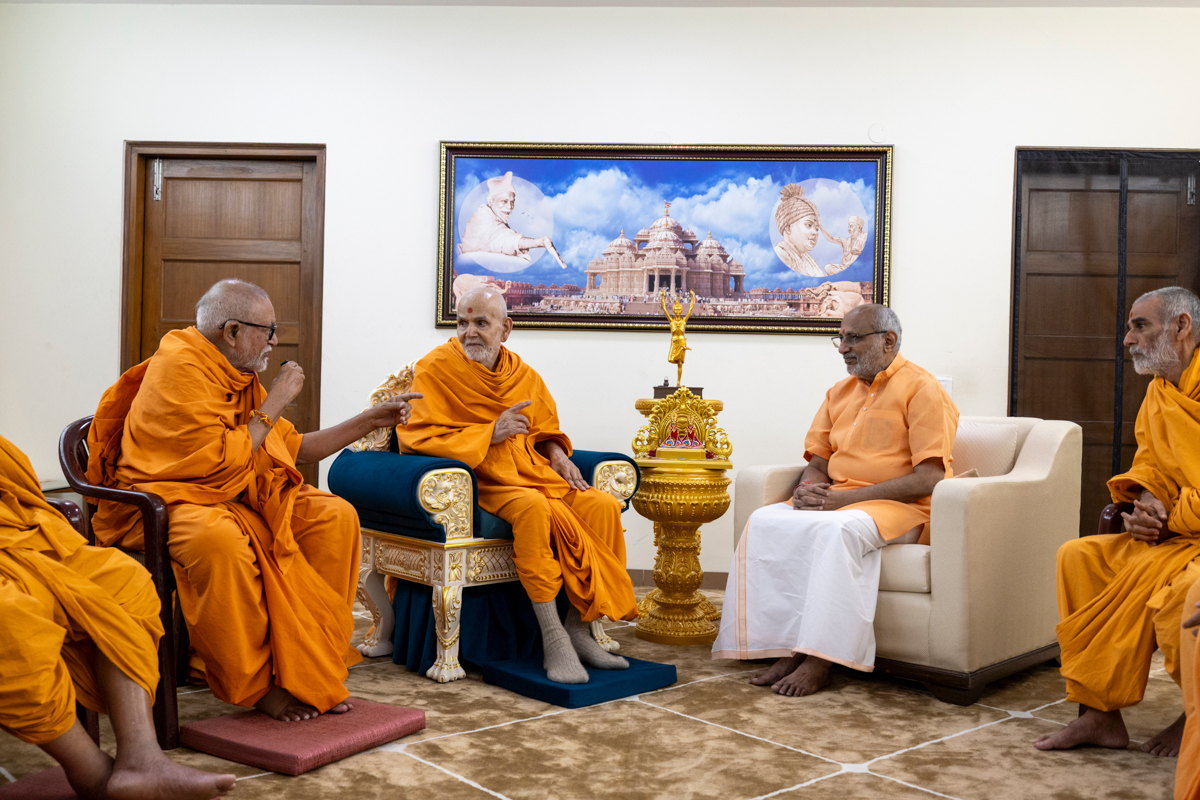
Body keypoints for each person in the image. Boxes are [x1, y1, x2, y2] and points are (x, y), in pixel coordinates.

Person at [87, 279, 420, 722]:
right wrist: (279, 398)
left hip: (231, 493)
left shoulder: (237, 374)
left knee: (333, 515)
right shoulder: (179, 367)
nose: (275, 341)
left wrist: (369, 420)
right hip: (166, 500)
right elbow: (216, 464)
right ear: (231, 331)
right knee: (220, 544)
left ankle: (306, 664)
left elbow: (296, 446)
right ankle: (256, 685)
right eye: (268, 330)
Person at [712, 304, 958, 696]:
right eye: (839, 338)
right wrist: (808, 488)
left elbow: (929, 478)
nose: (842, 347)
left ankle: (820, 659)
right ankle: (787, 645)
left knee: (837, 530)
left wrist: (845, 501)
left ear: (888, 340)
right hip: (840, 500)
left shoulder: (923, 389)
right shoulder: (839, 393)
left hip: (901, 509)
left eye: (852, 338)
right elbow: (819, 461)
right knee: (765, 520)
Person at [396, 285, 636, 684]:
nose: (469, 332)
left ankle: (578, 628)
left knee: (601, 505)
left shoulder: (521, 374)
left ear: (505, 328)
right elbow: (417, 437)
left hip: (532, 473)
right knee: (533, 509)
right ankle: (552, 636)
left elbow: (544, 429)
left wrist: (558, 455)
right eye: (462, 323)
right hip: (482, 479)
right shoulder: (436, 367)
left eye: (480, 323)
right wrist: (490, 433)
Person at [0, 434, 236, 799]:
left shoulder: (248, 393)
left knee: (125, 581)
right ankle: (91, 774)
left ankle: (141, 757)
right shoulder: (175, 379)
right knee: (13, 621)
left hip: (16, 538)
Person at [1036, 286, 1200, 756]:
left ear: (1181, 327)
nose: (1127, 339)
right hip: (1172, 538)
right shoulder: (1160, 393)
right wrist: (1146, 508)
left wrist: (1171, 520)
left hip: (1189, 540)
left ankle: (1194, 716)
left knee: (1183, 600)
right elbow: (1151, 464)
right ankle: (1099, 715)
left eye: (1139, 326)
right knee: (1080, 556)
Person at [460, 171, 564, 267]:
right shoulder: (482, 218)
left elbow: (505, 237)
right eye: (504, 201)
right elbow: (506, 240)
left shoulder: (495, 219)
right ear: (490, 201)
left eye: (512, 202)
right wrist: (539, 242)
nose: (510, 207)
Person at [773, 184, 825, 278]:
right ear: (788, 228)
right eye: (808, 225)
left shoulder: (808, 258)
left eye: (817, 228)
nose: (815, 232)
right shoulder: (781, 254)